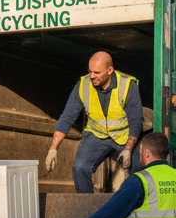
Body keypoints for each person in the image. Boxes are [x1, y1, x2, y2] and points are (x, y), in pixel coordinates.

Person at [45, 51, 143, 193]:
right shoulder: (83, 85)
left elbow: (136, 120)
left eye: (97, 72)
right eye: (90, 71)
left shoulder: (127, 84)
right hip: (96, 136)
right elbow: (67, 116)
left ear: (110, 70)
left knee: (137, 170)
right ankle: (88, 208)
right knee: (79, 168)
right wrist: (53, 148)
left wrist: (128, 150)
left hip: (124, 137)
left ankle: (133, 209)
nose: (92, 76)